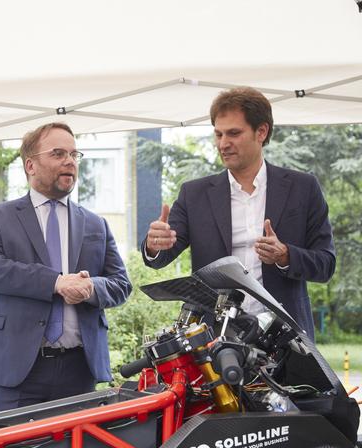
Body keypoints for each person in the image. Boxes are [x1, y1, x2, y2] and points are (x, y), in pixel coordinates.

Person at [142, 87, 335, 340]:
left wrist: (285, 255)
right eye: (218, 134)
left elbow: (325, 264)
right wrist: (155, 245)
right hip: (214, 339)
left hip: (285, 339)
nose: (223, 143)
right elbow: (161, 255)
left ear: (261, 132)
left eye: (233, 133)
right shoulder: (194, 194)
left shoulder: (303, 188)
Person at [0, 122, 132, 413]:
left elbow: (120, 283)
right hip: (14, 365)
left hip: (79, 369)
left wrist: (91, 287)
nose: (69, 161)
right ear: (30, 165)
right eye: (58, 153)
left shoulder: (95, 224)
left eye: (74, 154)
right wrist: (56, 282)